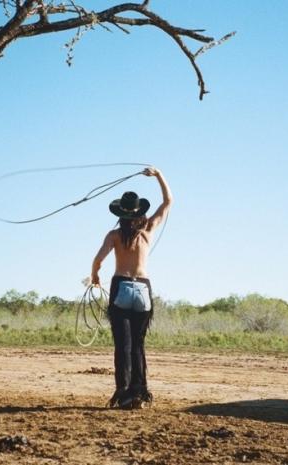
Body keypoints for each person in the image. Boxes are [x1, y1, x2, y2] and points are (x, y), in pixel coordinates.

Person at [91, 166, 173, 409]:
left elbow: (98, 259)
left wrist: (95, 276)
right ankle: (140, 391)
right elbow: (168, 202)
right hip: (143, 289)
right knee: (138, 345)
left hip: (121, 287)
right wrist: (158, 175)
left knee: (123, 346)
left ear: (120, 213)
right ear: (140, 212)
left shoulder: (114, 235)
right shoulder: (147, 231)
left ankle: (124, 393)